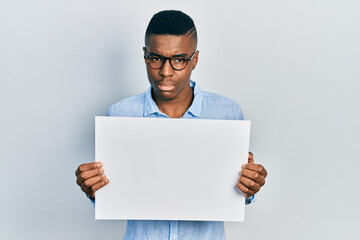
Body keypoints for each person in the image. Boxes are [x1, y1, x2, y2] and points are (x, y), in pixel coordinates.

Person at [75, 10, 267, 240]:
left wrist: (250, 187)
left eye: (179, 60)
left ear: (194, 60)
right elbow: (115, 195)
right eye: (156, 58)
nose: (165, 72)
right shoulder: (120, 114)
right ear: (145, 55)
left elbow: (234, 195)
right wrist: (93, 190)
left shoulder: (227, 113)